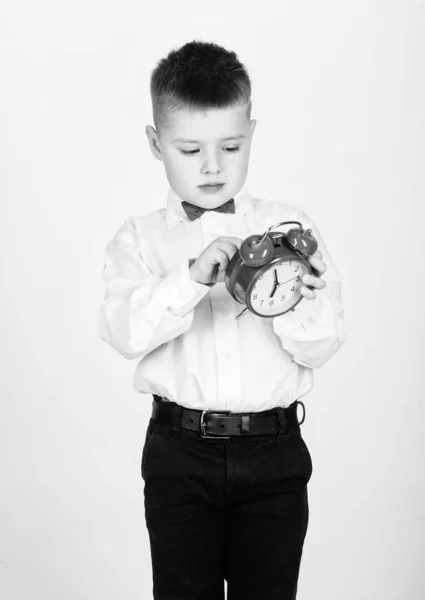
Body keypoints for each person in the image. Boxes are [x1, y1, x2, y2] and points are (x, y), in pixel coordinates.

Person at [99, 39, 346, 600]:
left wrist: (298, 298)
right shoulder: (140, 238)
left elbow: (323, 345)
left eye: (231, 146)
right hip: (180, 454)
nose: (212, 167)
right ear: (156, 143)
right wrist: (188, 280)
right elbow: (122, 331)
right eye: (190, 150)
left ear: (251, 135)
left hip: (274, 453)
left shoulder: (289, 225)